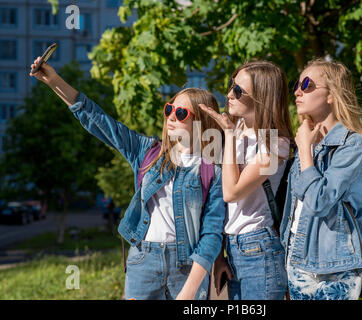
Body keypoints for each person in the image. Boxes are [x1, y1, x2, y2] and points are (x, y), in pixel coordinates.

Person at [29, 56, 226, 300]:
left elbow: (212, 234)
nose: (171, 117)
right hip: (143, 261)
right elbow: (99, 121)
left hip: (187, 269)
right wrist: (53, 80)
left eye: (182, 112)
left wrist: (190, 289)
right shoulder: (148, 153)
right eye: (169, 109)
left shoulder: (213, 170)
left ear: (202, 122)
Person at [279, 58, 362, 300]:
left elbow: (319, 201)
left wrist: (303, 152)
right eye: (296, 85)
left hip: (335, 268)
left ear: (331, 95)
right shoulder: (307, 141)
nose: (297, 91)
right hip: (296, 263)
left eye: (307, 84)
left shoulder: (352, 144)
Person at [200, 60, 294, 300]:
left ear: (262, 97)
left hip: (259, 248)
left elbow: (232, 192)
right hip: (233, 247)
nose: (229, 94)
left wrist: (228, 135)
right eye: (232, 85)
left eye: (238, 90)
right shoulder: (238, 128)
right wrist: (220, 255)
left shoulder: (276, 145)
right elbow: (219, 197)